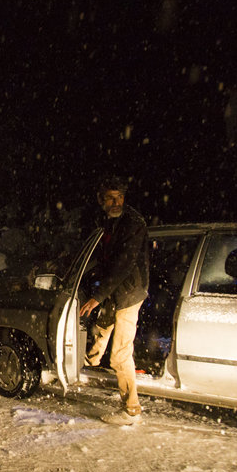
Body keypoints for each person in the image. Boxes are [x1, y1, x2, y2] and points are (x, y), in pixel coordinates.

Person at [77, 176, 150, 425]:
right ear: (101, 199)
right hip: (113, 291)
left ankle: (131, 409)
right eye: (111, 197)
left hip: (128, 293)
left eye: (119, 197)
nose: (116, 202)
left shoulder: (132, 223)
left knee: (119, 355)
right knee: (100, 329)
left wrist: (98, 296)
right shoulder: (107, 222)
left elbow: (123, 264)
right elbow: (102, 257)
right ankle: (86, 366)